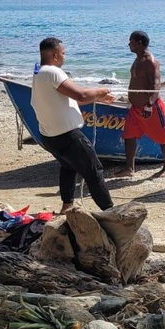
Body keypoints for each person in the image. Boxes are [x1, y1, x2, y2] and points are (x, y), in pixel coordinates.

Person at [31, 37, 115, 214]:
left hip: (49, 136)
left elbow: (70, 99)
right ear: (54, 55)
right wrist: (101, 90)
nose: (64, 57)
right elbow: (81, 96)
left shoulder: (39, 72)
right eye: (63, 54)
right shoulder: (53, 72)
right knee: (95, 171)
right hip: (66, 135)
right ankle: (110, 212)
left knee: (68, 167)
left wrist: (98, 98)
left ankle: (67, 206)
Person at [114, 31, 165, 179]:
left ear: (139, 43)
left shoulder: (150, 61)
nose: (129, 44)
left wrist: (149, 104)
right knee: (129, 136)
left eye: (131, 42)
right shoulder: (137, 59)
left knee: (162, 138)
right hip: (135, 109)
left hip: (150, 108)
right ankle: (129, 168)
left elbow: (156, 84)